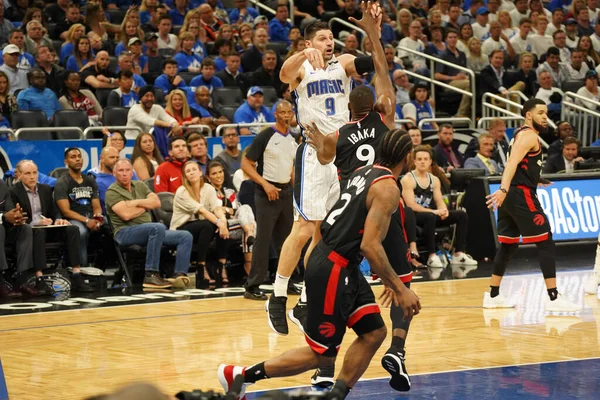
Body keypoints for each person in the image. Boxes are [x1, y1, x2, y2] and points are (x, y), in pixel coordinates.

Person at [218, 129, 421, 400]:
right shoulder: (388, 188)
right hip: (333, 267)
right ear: (408, 156)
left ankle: (336, 395)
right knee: (320, 354)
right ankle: (241, 376)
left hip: (339, 262)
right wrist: (399, 287)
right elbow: (370, 245)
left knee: (374, 332)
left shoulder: (364, 172)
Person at [299, 13, 417, 390]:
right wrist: (373, 37)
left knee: (340, 279)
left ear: (349, 111)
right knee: (404, 277)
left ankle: (324, 360)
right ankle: (397, 347)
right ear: (380, 108)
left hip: (351, 211)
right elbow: (383, 73)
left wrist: (319, 145)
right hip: (385, 200)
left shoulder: (339, 133)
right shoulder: (386, 115)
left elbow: (322, 157)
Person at [484, 98, 581, 311]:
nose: (545, 117)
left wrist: (535, 178)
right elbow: (511, 163)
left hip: (513, 195)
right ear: (529, 115)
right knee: (546, 241)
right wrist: (502, 189)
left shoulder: (522, 134)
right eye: (540, 113)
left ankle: (492, 295)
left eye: (546, 113)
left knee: (508, 245)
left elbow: (520, 165)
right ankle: (554, 298)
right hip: (519, 195)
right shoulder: (529, 136)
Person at [106, 158, 193, 289]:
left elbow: (156, 202)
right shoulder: (112, 192)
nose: (124, 173)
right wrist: (146, 205)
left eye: (127, 170)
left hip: (150, 232)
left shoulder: (140, 185)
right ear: (114, 173)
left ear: (132, 172)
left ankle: (178, 275)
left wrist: (135, 203)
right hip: (125, 232)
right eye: (120, 170)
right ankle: (151, 275)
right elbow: (126, 215)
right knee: (157, 227)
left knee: (185, 236)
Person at [10, 160, 93, 293]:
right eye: (27, 173)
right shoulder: (14, 192)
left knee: (72, 229)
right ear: (19, 175)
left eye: (34, 173)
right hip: (28, 230)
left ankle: (77, 274)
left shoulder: (45, 189)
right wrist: (36, 223)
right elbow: (16, 216)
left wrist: (59, 220)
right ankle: (40, 278)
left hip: (48, 228)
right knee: (38, 232)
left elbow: (54, 212)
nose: (32, 176)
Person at [242, 100, 297, 299]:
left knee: (288, 241)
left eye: (289, 112)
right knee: (263, 241)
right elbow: (246, 163)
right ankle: (252, 285)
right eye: (282, 112)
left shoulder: (293, 138)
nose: (286, 116)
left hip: (285, 193)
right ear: (275, 114)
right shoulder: (266, 135)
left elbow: (290, 167)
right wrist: (265, 184)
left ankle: (286, 281)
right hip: (266, 193)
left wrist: (296, 189)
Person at [401, 145, 477, 268]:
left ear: (430, 162)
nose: (423, 162)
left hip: (431, 213)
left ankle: (459, 254)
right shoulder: (408, 179)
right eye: (419, 159)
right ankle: (432, 256)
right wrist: (434, 211)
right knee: (430, 216)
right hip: (415, 216)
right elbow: (411, 205)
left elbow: (439, 200)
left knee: (461, 215)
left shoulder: (434, 179)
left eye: (426, 159)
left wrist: (443, 210)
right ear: (414, 161)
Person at [170, 160, 228, 286]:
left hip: (201, 226)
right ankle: (201, 267)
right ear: (185, 176)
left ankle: (221, 265)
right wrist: (220, 223)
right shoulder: (182, 192)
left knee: (219, 225)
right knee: (209, 224)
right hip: (181, 228)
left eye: (194, 169)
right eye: (188, 171)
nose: (191, 173)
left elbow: (216, 208)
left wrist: (223, 221)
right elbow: (202, 210)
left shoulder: (209, 188)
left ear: (200, 172)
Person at [206, 160, 256, 284]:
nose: (218, 176)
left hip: (236, 225)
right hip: (220, 227)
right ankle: (249, 266)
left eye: (220, 172)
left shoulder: (230, 192)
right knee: (252, 225)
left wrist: (227, 210)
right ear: (208, 177)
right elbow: (212, 212)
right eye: (214, 174)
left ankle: (249, 233)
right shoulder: (207, 192)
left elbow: (238, 210)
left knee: (246, 208)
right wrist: (230, 211)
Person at [54, 148, 104, 269]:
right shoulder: (62, 182)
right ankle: (82, 268)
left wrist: (97, 217)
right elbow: (66, 211)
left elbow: (96, 206)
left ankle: (102, 266)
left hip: (90, 217)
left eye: (79, 156)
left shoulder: (90, 180)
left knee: (110, 228)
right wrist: (87, 221)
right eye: (73, 157)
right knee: (80, 232)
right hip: (73, 219)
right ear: (66, 161)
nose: (77, 159)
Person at [0, 179, 47, 298]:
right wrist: (3, 216)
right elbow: (5, 216)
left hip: (5, 229)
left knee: (25, 228)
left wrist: (16, 215)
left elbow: (10, 209)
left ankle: (21, 280)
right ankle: (1, 280)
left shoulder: (1, 184)